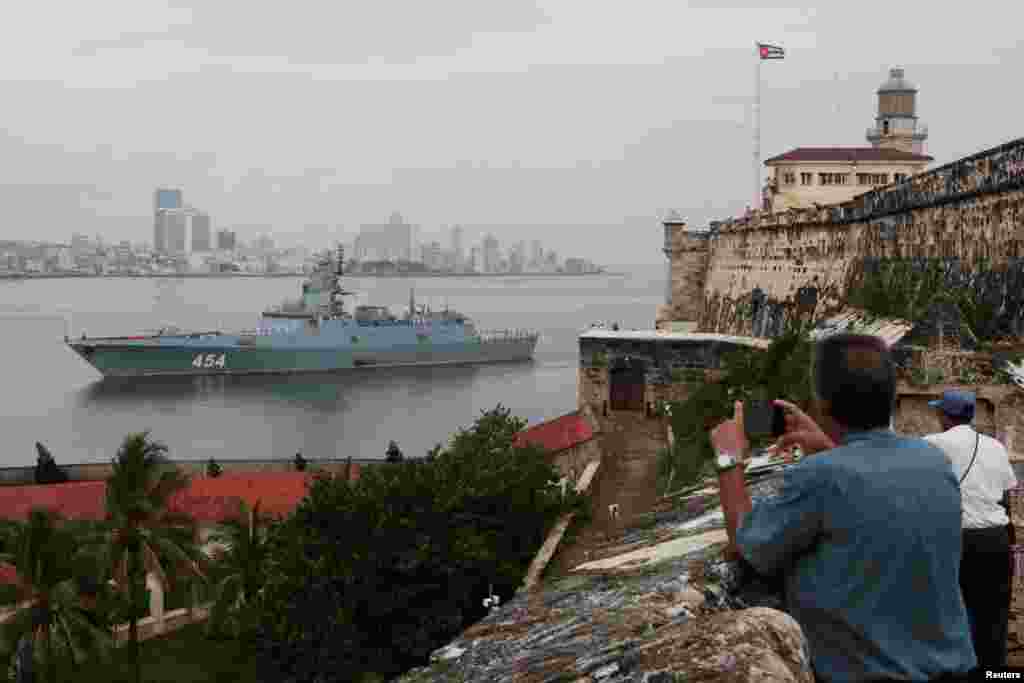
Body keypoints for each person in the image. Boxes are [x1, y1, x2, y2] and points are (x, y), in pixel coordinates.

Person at [710, 333, 975, 682]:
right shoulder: (934, 462)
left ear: (822, 403)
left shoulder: (819, 477)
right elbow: (868, 489)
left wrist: (728, 457)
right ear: (891, 396)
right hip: (955, 669)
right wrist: (828, 445)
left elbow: (748, 543)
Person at [924, 390, 1017, 672]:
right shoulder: (995, 447)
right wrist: (1006, 538)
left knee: (950, 612)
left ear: (944, 416)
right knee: (995, 614)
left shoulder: (932, 444)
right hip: (996, 539)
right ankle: (995, 672)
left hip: (954, 540)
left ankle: (957, 670)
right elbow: (1005, 497)